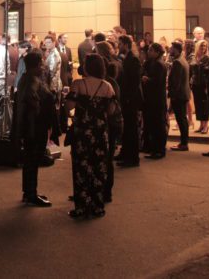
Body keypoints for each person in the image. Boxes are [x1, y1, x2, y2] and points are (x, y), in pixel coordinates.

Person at [65, 54, 122, 219]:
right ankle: (97, 206)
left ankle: (82, 206)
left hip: (82, 131)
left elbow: (69, 106)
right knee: (99, 168)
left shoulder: (78, 84)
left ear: (87, 67)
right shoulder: (107, 87)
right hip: (100, 132)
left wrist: (74, 116)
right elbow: (111, 111)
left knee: (81, 168)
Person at [15, 52, 55, 207]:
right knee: (32, 159)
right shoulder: (31, 80)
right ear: (36, 65)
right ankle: (31, 193)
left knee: (31, 160)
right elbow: (32, 102)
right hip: (34, 126)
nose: (43, 67)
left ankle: (29, 192)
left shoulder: (27, 78)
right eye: (41, 64)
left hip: (31, 126)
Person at [115, 35, 143, 166]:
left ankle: (132, 158)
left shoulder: (133, 59)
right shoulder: (126, 58)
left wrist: (128, 98)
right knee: (126, 128)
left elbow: (134, 82)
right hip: (127, 98)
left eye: (120, 44)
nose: (118, 46)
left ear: (126, 44)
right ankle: (125, 153)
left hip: (130, 100)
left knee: (131, 129)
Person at [141, 43, 168, 159]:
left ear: (157, 52)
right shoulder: (151, 63)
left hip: (157, 99)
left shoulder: (159, 64)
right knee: (153, 124)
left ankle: (159, 150)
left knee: (158, 125)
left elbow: (158, 82)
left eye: (151, 50)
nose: (149, 52)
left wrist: (147, 79)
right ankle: (153, 148)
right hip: (152, 98)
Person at [167, 41, 191, 151]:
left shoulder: (177, 62)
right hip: (183, 93)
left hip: (179, 95)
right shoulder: (183, 60)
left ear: (176, 49)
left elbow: (175, 82)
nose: (169, 50)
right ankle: (184, 142)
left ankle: (184, 143)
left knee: (181, 119)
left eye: (171, 48)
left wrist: (172, 96)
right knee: (182, 119)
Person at [190, 39, 209, 134]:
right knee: (198, 104)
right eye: (202, 46)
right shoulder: (194, 57)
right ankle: (201, 124)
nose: (203, 48)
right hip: (195, 84)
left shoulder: (208, 58)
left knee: (204, 105)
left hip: (204, 84)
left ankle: (206, 125)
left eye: (205, 46)